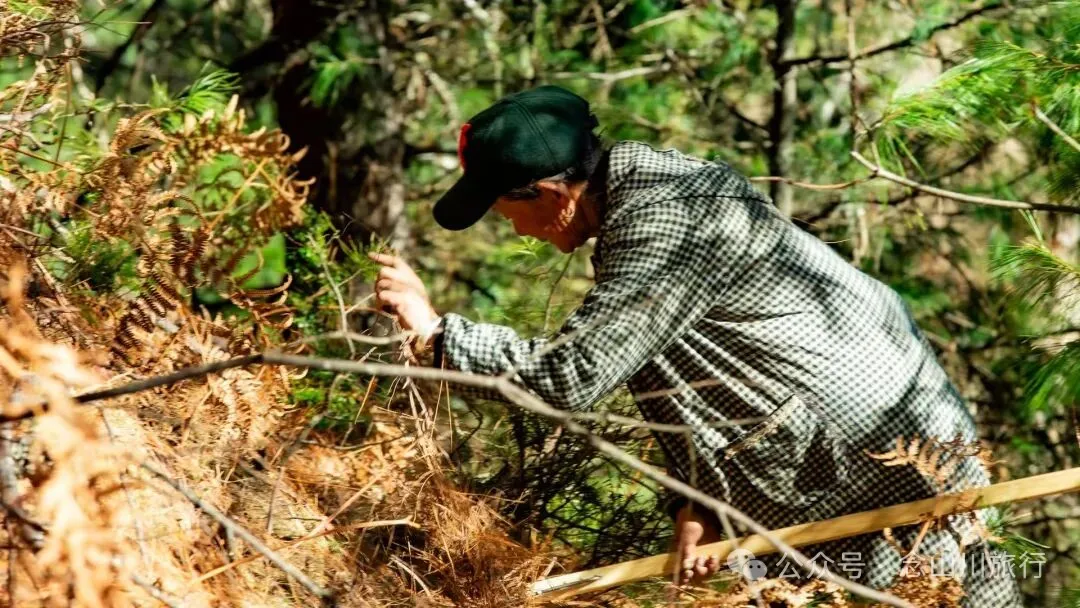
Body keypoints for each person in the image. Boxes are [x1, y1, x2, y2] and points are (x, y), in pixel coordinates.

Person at [369, 85, 1022, 606]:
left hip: (876, 465)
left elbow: (572, 376)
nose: (510, 227)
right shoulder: (654, 198)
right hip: (888, 445)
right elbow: (678, 366)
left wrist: (438, 335)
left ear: (547, 194)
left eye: (503, 210)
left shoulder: (662, 221)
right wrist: (696, 504)